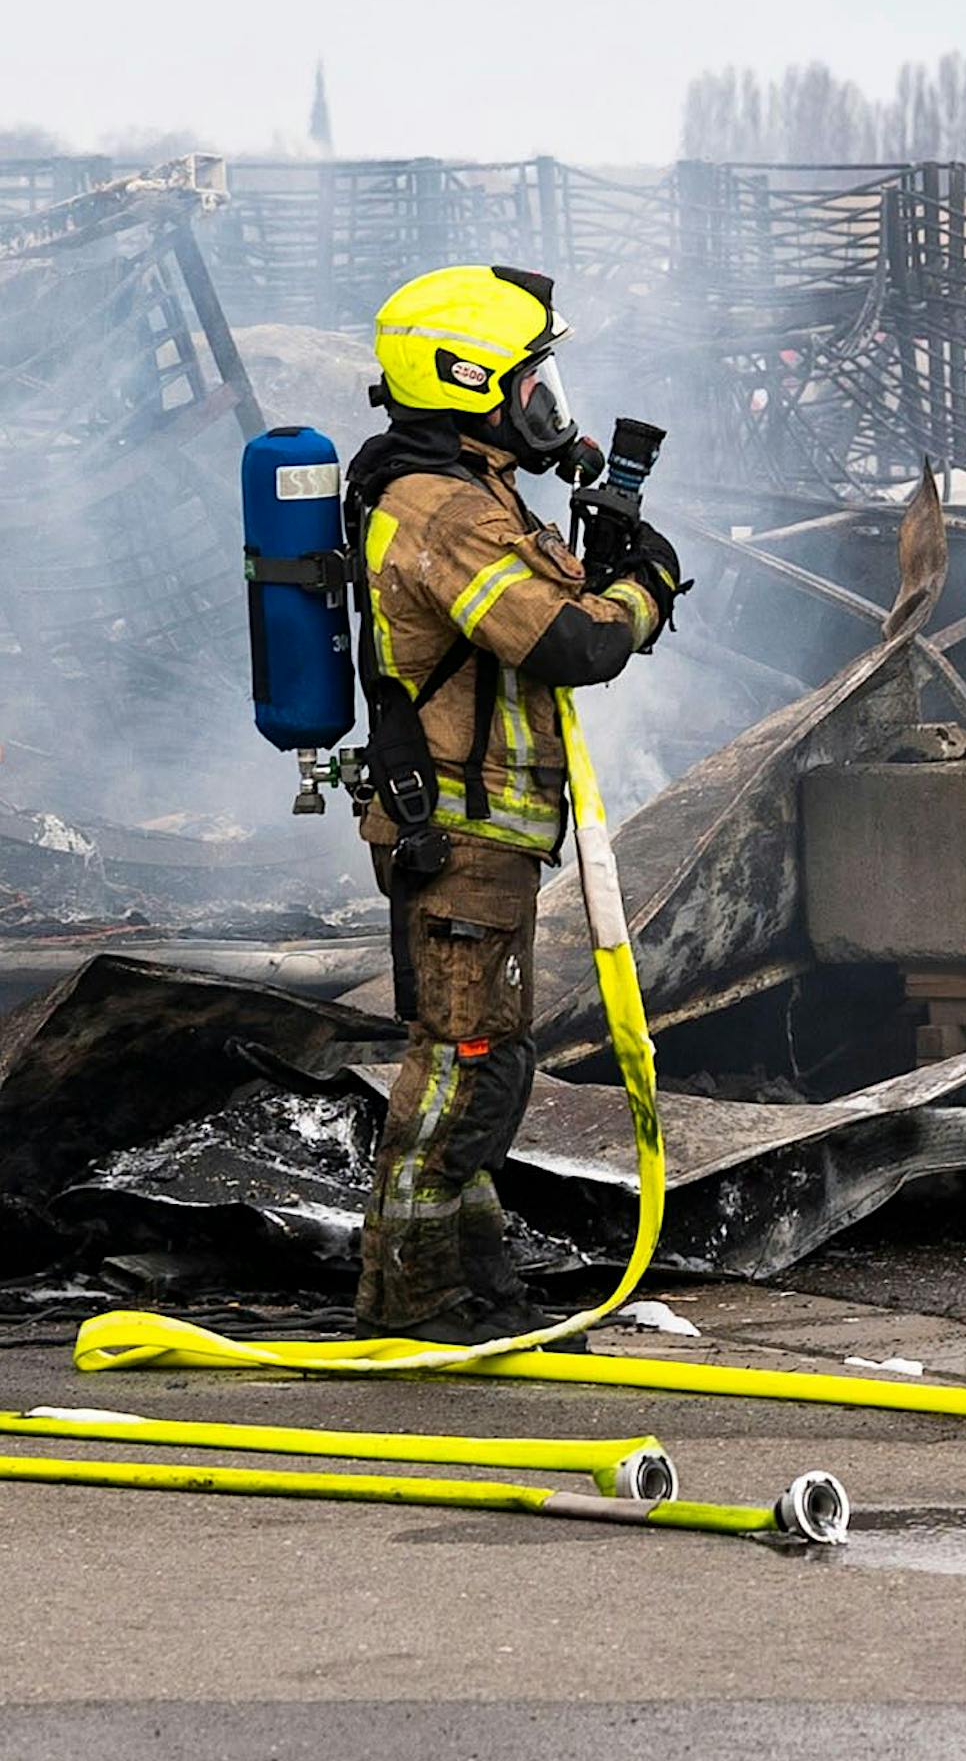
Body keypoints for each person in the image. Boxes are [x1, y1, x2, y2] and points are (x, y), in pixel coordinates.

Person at [345, 264, 683, 1346]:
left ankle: (475, 1285)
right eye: (528, 380)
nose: (546, 404)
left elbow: (548, 610)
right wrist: (645, 589)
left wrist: (603, 556)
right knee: (461, 1063)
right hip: (456, 826)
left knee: (486, 1057)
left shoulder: (472, 490)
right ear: (465, 380)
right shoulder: (441, 508)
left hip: (483, 825)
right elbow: (570, 640)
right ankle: (413, 1298)